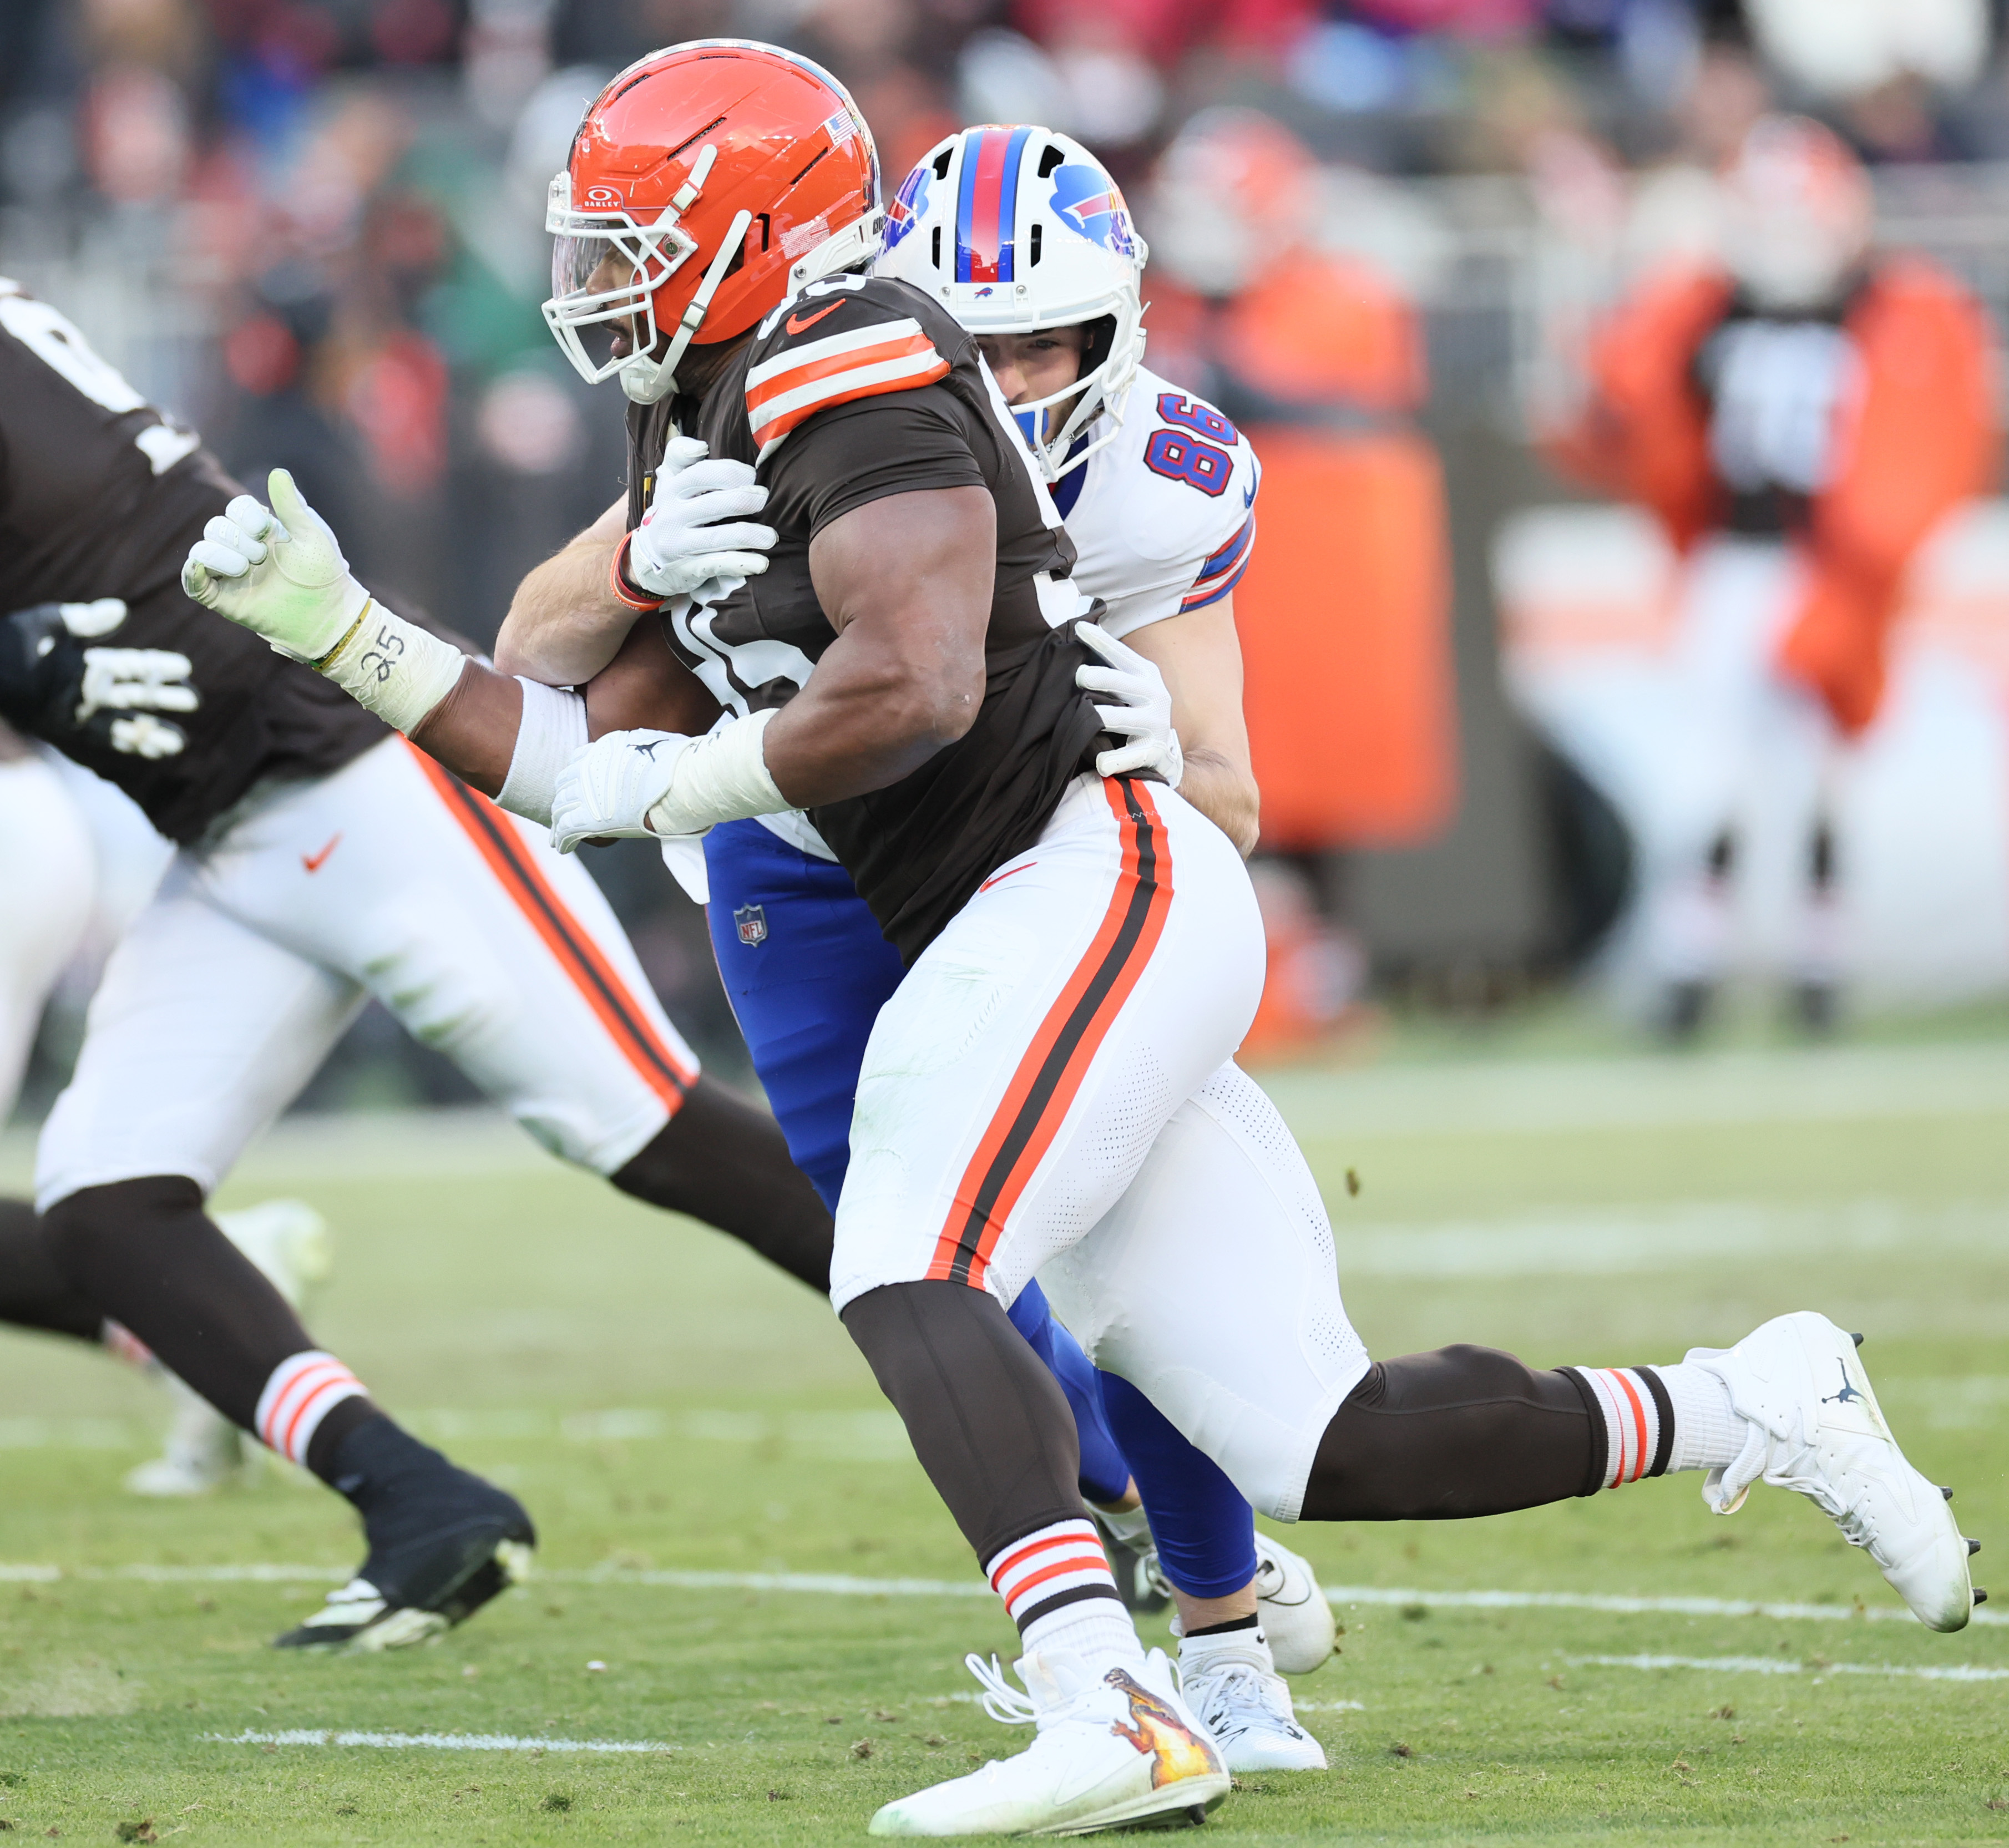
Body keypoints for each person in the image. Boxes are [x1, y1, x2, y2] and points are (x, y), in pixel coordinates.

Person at [189, 44, 1980, 1835]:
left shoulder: (892, 374)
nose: (997, 373)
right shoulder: (731, 400)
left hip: (1081, 875)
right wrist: (353, 632)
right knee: (1318, 1437)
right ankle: (1753, 1400)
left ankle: (1116, 1691)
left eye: (630, 242)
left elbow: (925, 690)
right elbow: (574, 746)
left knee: (908, 1252)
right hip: (953, 889)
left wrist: (720, 776)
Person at [498, 121, 1335, 1774]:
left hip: (1043, 859)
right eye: (977, 332)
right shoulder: (806, 387)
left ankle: (1222, 1637)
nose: (1008, 370)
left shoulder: (1159, 481)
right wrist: (632, 554)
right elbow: (534, 655)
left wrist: (1157, 749)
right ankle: (1106, 1510)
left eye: (1044, 338)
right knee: (889, 1238)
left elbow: (1229, 791)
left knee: (1117, 1261)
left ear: (1119, 331)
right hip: (800, 854)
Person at [0, 274, 835, 1648]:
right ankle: (420, 1504)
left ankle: (1093, 1446)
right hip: (231, 819)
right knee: (101, 1202)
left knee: (649, 1130)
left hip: (358, 762)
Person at [1547, 115, 1997, 1036]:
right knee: (1715, 769)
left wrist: (1859, 576)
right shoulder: (1700, 310)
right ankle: (1693, 966)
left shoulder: (1896, 311)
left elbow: (1925, 456)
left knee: (1820, 771)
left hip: (1828, 564)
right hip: (1730, 561)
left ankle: (1814, 968)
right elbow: (1628, 424)